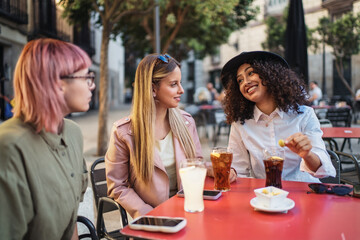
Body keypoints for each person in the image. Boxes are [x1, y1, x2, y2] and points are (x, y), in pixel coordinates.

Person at [0, 38, 95, 239]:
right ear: (58, 84)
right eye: (86, 77)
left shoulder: (73, 133)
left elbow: (71, 223)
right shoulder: (10, 146)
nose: (92, 85)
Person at [105, 53, 203, 219]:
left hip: (189, 212)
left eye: (180, 83)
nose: (182, 90)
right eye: (174, 84)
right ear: (152, 89)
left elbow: (197, 164)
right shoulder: (124, 132)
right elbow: (117, 186)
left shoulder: (186, 122)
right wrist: (147, 214)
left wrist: (215, 169)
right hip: (150, 219)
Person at [220, 51, 335, 183]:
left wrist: (307, 154)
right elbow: (238, 169)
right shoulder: (240, 123)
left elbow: (322, 170)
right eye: (240, 80)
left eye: (250, 73)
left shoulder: (305, 114)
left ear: (270, 73)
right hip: (265, 197)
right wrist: (229, 172)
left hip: (304, 193)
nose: (245, 82)